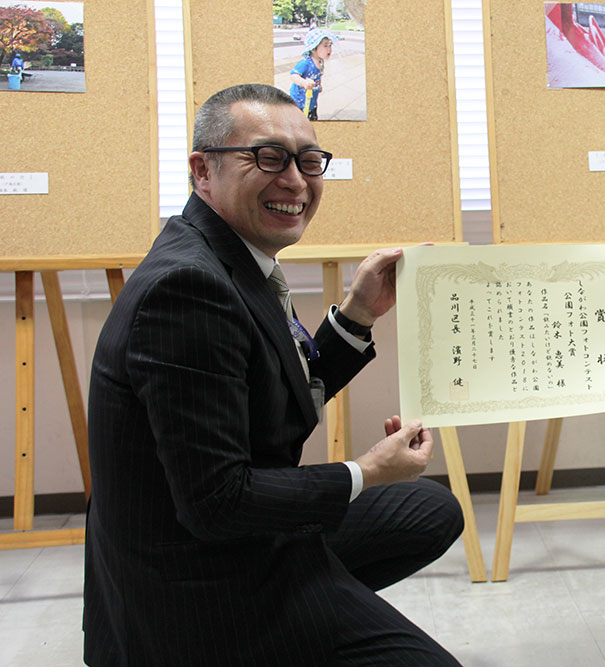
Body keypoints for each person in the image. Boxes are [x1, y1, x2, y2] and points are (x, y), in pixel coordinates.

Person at [83, 83, 464, 666]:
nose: (296, 181)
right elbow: (218, 502)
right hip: (196, 585)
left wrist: (358, 314)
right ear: (201, 171)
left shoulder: (230, 256)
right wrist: (364, 470)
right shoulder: (187, 289)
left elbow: (273, 397)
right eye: (268, 157)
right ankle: (285, 625)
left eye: (310, 161)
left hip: (238, 539)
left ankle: (313, 604)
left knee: (429, 509)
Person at [289, 28, 336, 121]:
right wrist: (303, 83)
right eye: (325, 46)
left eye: (330, 45)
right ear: (313, 49)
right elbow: (293, 75)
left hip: (312, 98)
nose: (329, 49)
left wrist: (319, 85)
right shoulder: (305, 63)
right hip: (300, 100)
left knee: (312, 116)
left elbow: (318, 75)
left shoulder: (320, 61)